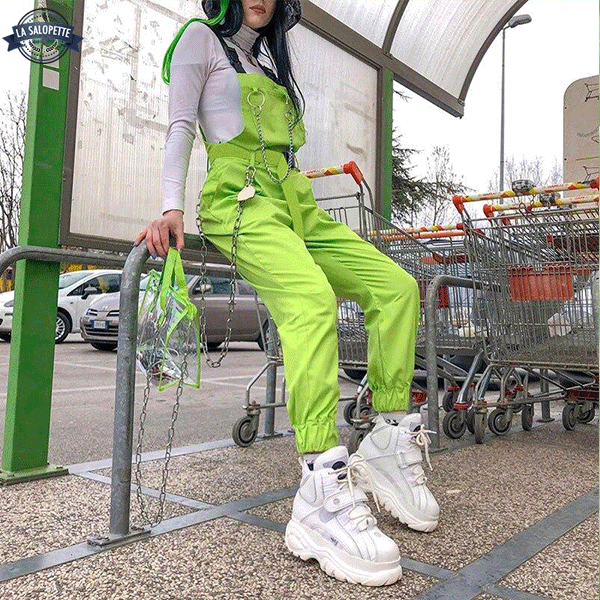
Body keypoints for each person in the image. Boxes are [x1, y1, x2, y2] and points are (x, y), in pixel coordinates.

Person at [135, 0, 439, 586]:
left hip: (294, 200)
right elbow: (180, 125)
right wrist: (171, 206)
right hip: (239, 201)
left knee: (397, 287)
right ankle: (320, 481)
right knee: (310, 301)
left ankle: (387, 434)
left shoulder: (268, 65)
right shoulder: (201, 39)